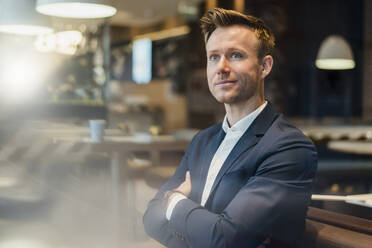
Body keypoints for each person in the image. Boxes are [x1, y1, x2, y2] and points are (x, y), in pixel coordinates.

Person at [143, 8, 317, 248]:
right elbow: (151, 218)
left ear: (264, 66)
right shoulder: (202, 140)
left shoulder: (289, 149)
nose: (221, 67)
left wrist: (174, 201)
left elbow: (224, 240)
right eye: (213, 57)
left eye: (235, 55)